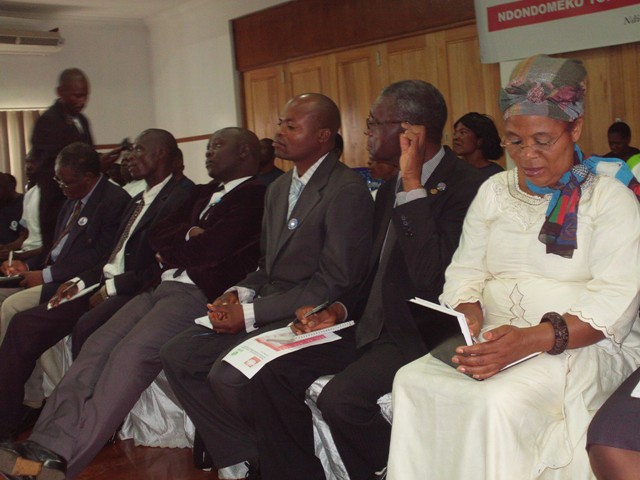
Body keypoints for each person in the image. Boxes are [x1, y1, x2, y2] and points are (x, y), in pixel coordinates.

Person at [200, 81, 483, 480]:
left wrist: (413, 185)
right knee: (271, 375)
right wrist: (337, 309)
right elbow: (372, 272)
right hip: (366, 324)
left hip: (415, 331)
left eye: (374, 123)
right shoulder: (389, 186)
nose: (366, 132)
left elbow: (430, 277)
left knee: (342, 401)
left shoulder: (467, 186)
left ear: (410, 131)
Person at [387, 54, 640, 480]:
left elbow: (616, 300)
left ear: (575, 128)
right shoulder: (494, 191)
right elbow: (466, 271)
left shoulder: (608, 199)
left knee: (496, 400)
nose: (528, 156)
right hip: (496, 336)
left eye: (543, 141)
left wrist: (531, 339)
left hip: (581, 346)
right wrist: (467, 314)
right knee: (412, 381)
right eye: (515, 142)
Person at [0, 127, 267, 480]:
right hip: (159, 287)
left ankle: (61, 460)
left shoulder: (256, 196)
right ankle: (43, 444)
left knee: (128, 358)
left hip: (196, 295)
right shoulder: (203, 192)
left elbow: (213, 250)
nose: (208, 152)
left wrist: (178, 244)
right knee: (96, 347)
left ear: (245, 152)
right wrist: (188, 235)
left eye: (217, 145)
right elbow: (159, 234)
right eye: (207, 145)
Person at [160, 93, 374, 480]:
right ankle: (246, 454)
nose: (279, 133)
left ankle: (277, 461)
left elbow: (334, 282)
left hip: (313, 316)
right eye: (280, 124)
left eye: (292, 126)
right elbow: (266, 265)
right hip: (270, 304)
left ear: (323, 136)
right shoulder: (277, 188)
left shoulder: (345, 190)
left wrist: (250, 314)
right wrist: (239, 292)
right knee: (178, 353)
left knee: (227, 375)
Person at [0, 129, 196, 440]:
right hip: (99, 281)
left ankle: (88, 422)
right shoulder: (138, 198)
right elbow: (110, 255)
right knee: (23, 324)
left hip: (133, 288)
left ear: (160, 154)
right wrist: (79, 282)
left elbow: (154, 266)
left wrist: (110, 287)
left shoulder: (181, 196)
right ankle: (11, 417)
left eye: (138, 150)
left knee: (85, 326)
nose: (129, 157)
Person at [0, 142, 130, 326]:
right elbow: (55, 248)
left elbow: (100, 256)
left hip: (74, 282)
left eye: (66, 182)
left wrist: (46, 276)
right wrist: (26, 266)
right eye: (58, 180)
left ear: (88, 177)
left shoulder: (114, 200)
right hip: (50, 274)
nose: (61, 186)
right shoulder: (72, 199)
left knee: (12, 306)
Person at [31, 68, 94, 258]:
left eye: (85, 95)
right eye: (77, 95)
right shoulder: (48, 121)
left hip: (82, 204)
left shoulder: (82, 120)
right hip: (58, 205)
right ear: (61, 92)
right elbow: (55, 165)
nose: (82, 101)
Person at [0, 150, 44, 263]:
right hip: (25, 252)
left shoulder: (54, 195)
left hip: (40, 256)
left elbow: (53, 242)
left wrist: (17, 255)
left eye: (33, 162)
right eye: (27, 162)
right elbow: (25, 234)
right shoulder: (30, 194)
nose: (28, 167)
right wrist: (7, 249)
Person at [452, 111, 504, 178]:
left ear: (480, 140)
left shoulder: (496, 175)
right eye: (455, 133)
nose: (455, 137)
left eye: (463, 132)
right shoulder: (452, 171)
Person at [0, 174, 23, 247]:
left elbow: (25, 237)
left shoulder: (25, 203)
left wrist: (7, 248)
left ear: (10, 187)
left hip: (19, 251)